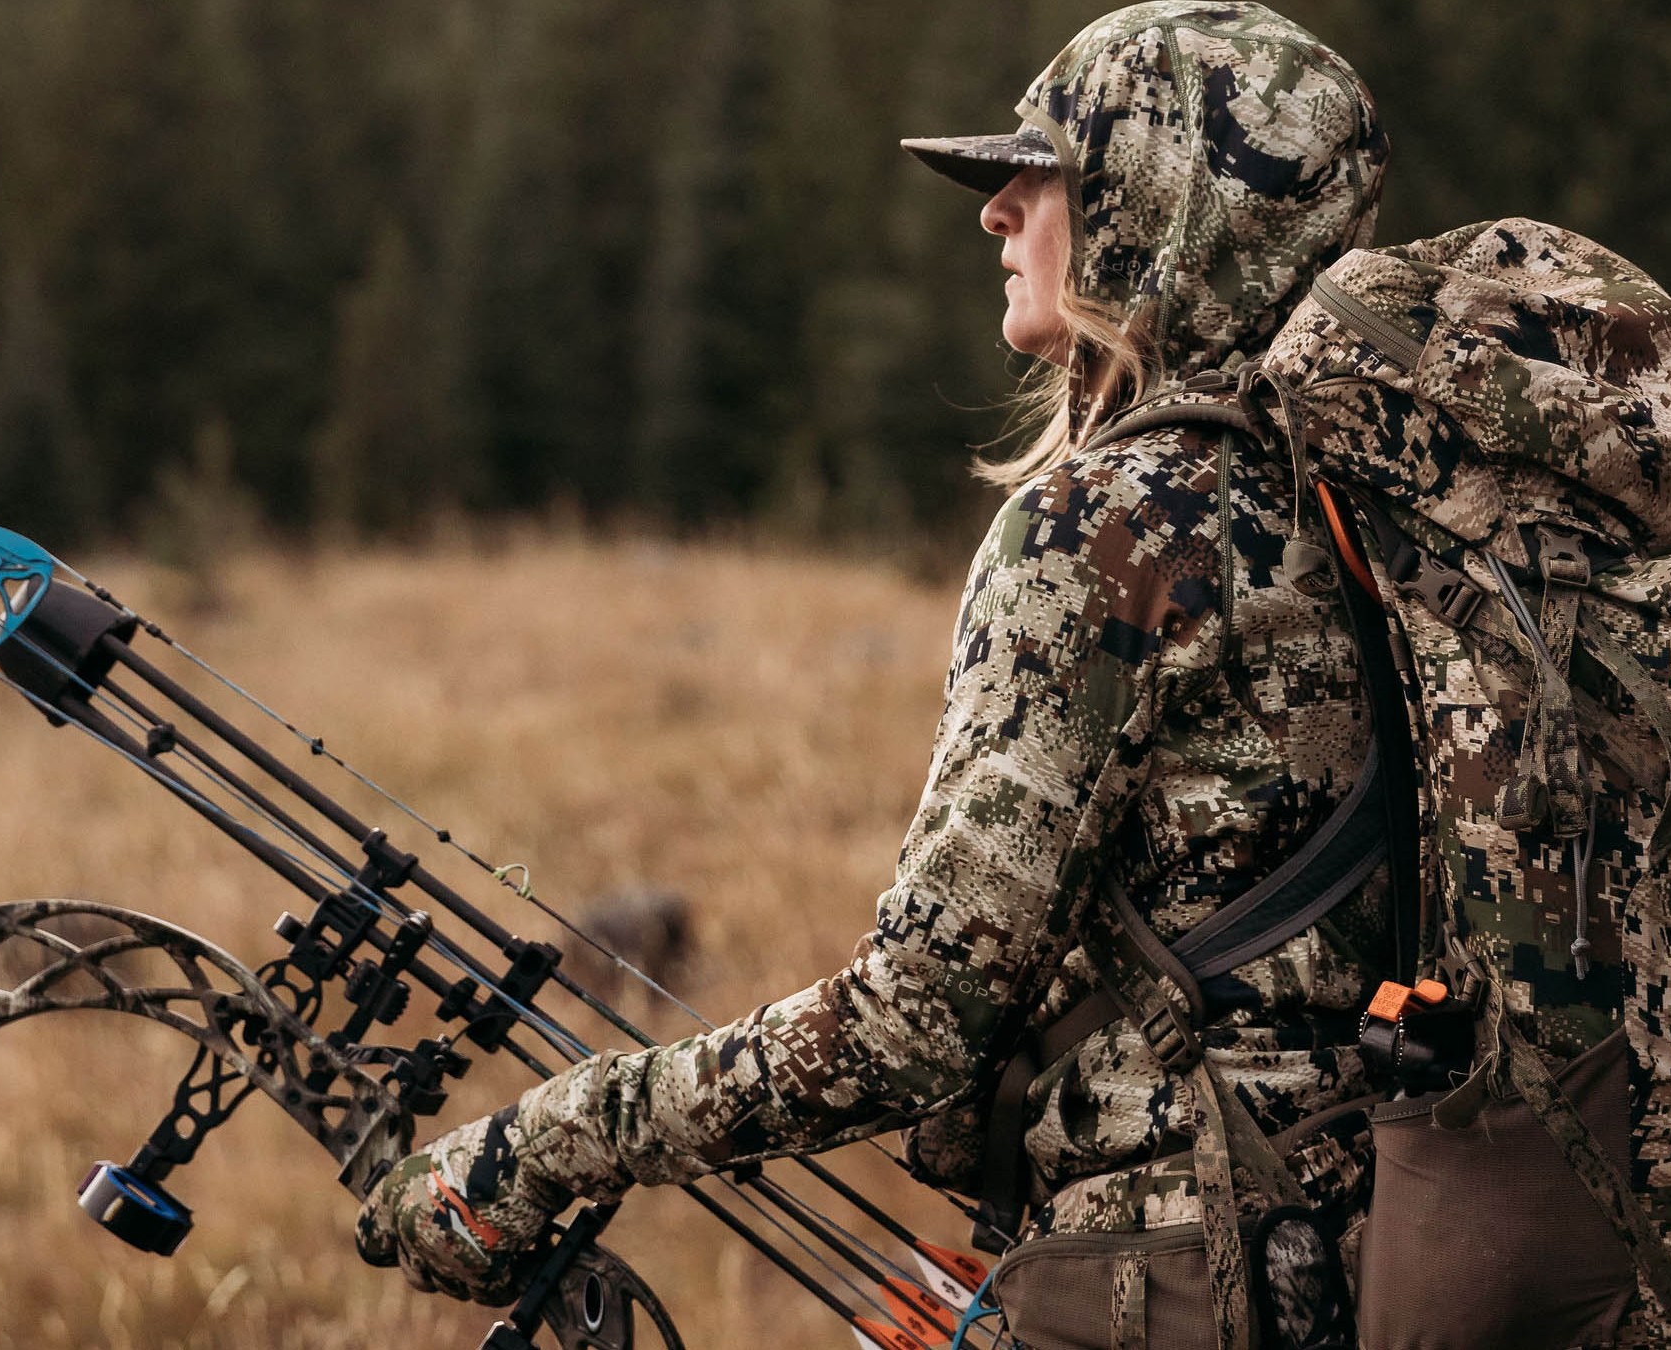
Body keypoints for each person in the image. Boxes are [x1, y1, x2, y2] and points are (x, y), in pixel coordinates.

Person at [356, 5, 1395, 1345]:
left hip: (1185, 1276)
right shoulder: (1375, 507)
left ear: (1158, 205)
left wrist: (543, 1141)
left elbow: (912, 1022)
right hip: (1388, 1254)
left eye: (1045, 177)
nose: (997, 214)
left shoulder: (1110, 527)